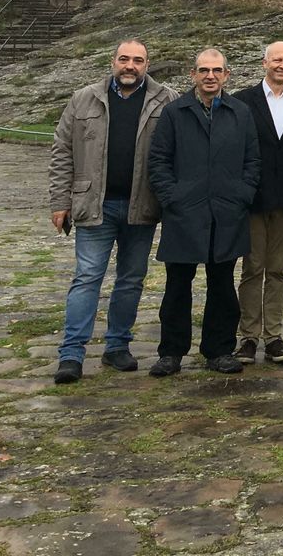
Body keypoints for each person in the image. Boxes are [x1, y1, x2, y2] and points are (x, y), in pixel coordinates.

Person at [50, 39, 177, 384]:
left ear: (147, 64)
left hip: (142, 205)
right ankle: (72, 354)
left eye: (137, 60)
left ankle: (117, 346)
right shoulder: (83, 98)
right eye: (124, 59)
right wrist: (60, 201)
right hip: (95, 204)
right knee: (87, 277)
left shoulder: (167, 100)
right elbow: (63, 151)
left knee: (131, 279)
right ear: (113, 61)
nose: (130, 66)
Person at [146, 48, 260, 376]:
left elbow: (252, 160)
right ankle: (171, 352)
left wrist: (242, 194)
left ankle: (219, 350)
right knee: (178, 286)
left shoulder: (241, 112)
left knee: (222, 286)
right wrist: (173, 198)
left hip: (226, 212)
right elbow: (159, 161)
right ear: (193, 74)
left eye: (217, 70)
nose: (210, 76)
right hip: (185, 213)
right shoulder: (174, 112)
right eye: (203, 70)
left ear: (227, 75)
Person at [232, 41, 283, 364]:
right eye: (277, 59)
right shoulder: (243, 101)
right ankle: (249, 336)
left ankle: (274, 336)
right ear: (264, 62)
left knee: (277, 270)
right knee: (252, 269)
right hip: (253, 199)